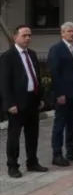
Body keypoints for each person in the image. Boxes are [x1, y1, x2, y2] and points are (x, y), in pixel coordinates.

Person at [0, 25, 49, 178]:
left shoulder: (32, 54)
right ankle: (13, 165)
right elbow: (4, 82)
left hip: (32, 100)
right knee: (14, 135)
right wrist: (9, 103)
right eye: (24, 35)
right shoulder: (8, 56)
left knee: (32, 134)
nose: (28, 38)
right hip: (17, 103)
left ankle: (32, 162)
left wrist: (40, 98)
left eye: (29, 35)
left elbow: (36, 77)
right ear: (15, 37)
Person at [49, 21, 73, 167]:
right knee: (60, 124)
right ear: (62, 33)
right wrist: (59, 93)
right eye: (69, 31)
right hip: (63, 94)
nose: (72, 34)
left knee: (72, 123)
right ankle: (57, 154)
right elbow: (54, 72)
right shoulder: (56, 49)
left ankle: (71, 150)